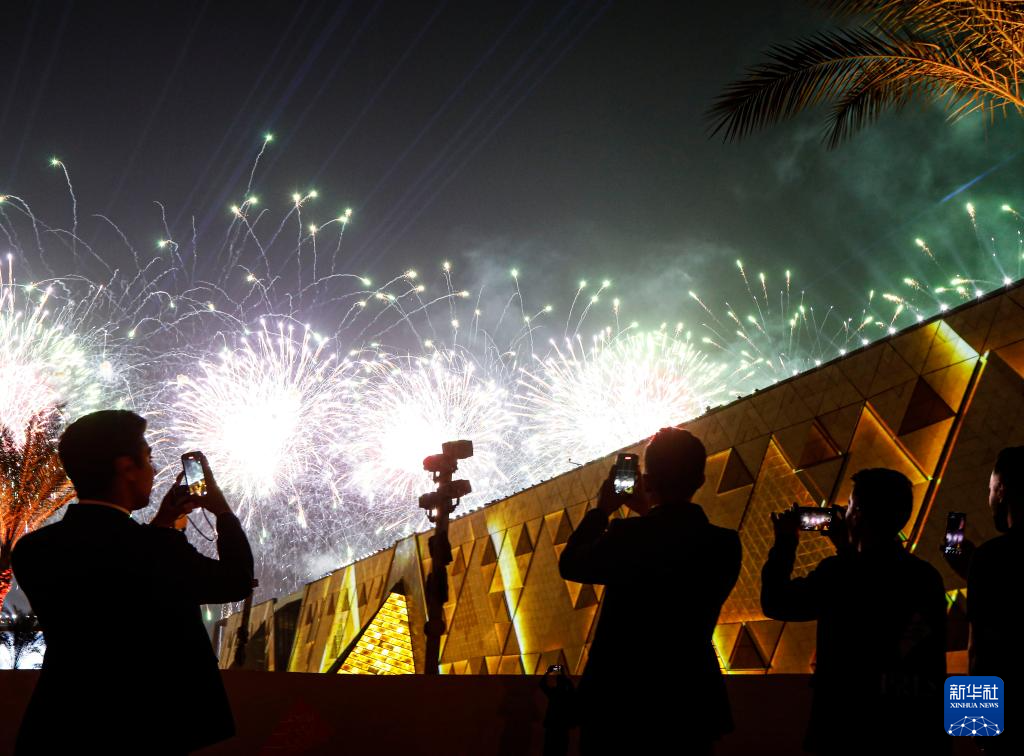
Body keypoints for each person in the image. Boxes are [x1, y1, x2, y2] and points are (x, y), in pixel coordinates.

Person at [11, 410, 254, 755]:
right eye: (148, 458)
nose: (154, 470)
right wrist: (223, 512)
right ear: (126, 467)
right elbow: (235, 581)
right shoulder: (157, 551)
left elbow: (118, 568)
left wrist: (163, 522)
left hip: (58, 727)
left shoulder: (33, 549)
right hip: (146, 730)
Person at [559, 428, 741, 755]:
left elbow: (571, 564)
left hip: (619, 704)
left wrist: (602, 510)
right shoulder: (725, 544)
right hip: (689, 704)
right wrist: (649, 513)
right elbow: (672, 547)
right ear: (700, 480)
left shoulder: (627, 536)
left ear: (647, 480)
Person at [761, 468, 947, 755]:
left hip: (843, 726)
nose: (843, 512)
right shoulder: (926, 577)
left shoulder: (837, 574)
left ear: (858, 514)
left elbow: (776, 601)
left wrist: (786, 541)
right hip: (908, 729)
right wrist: (848, 548)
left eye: (849, 506)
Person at [967, 446, 1024, 752]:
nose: (988, 498)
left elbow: (979, 651)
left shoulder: (990, 557)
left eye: (990, 489)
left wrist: (974, 725)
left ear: (1002, 491)